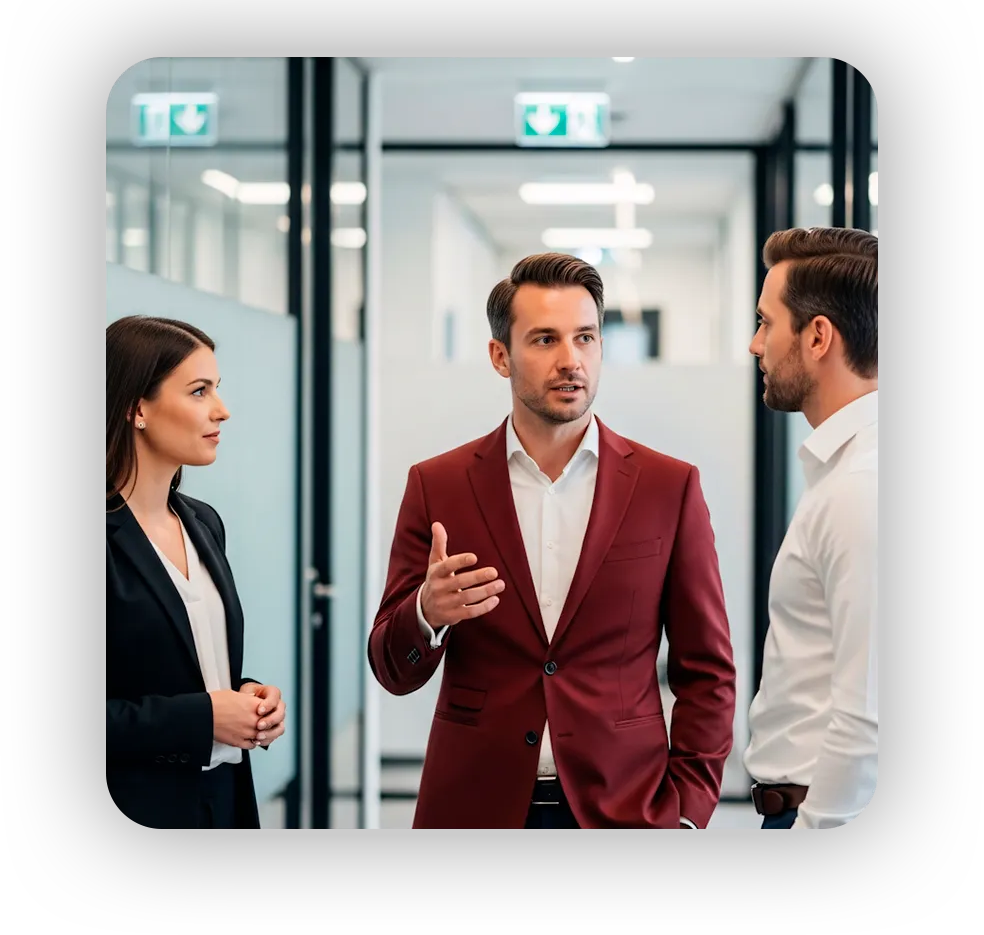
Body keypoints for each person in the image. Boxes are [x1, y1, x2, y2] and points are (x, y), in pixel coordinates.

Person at [368, 252, 736, 829]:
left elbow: (708, 670)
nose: (571, 360)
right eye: (544, 340)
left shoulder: (669, 486)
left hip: (626, 807)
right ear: (500, 356)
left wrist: (689, 810)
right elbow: (393, 670)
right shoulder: (438, 485)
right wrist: (426, 613)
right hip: (474, 805)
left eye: (585, 338)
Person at [106, 315, 286, 829]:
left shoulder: (203, 523)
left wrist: (246, 696)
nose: (222, 410)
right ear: (137, 407)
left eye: (217, 389)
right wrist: (204, 717)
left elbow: (186, 666)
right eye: (199, 391)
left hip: (222, 802)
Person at [744, 227, 878, 829]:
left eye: (766, 323)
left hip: (824, 814)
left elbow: (867, 709)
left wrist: (813, 825)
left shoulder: (860, 484)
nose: (756, 345)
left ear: (818, 336)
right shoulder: (845, 470)